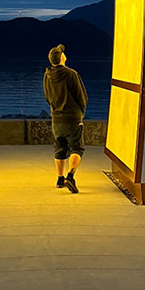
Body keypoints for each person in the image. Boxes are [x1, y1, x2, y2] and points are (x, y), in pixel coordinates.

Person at [43, 43, 88, 194]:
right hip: (72, 118)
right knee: (77, 148)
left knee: (60, 149)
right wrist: (81, 113)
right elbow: (81, 97)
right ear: (62, 57)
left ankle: (60, 179)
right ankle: (71, 176)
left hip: (56, 118)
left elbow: (47, 96)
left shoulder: (47, 75)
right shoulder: (71, 74)